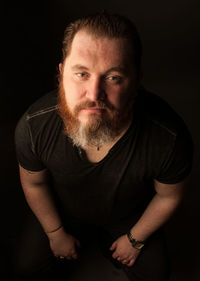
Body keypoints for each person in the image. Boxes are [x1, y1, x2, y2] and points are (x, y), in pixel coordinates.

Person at [14, 12, 193, 281]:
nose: (94, 93)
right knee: (25, 267)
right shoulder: (33, 126)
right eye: (81, 74)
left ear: (136, 82)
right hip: (62, 210)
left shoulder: (169, 137)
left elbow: (168, 196)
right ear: (62, 74)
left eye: (113, 78)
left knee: (157, 274)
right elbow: (34, 184)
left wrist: (135, 239)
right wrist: (55, 233)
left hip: (129, 216)